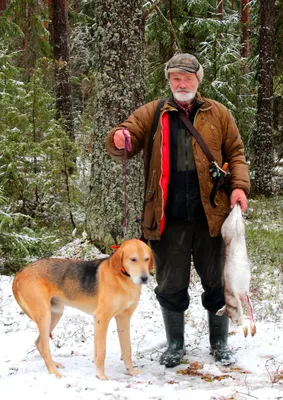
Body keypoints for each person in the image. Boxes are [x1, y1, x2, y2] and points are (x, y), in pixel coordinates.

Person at [106, 53, 250, 367]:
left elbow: (236, 152)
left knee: (217, 281)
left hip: (211, 214)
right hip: (166, 216)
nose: (181, 83)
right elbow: (126, 135)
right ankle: (175, 344)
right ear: (169, 81)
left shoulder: (219, 113)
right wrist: (119, 139)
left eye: (187, 78)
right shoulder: (152, 112)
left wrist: (239, 186)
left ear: (198, 80)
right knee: (170, 283)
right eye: (175, 78)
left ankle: (220, 343)